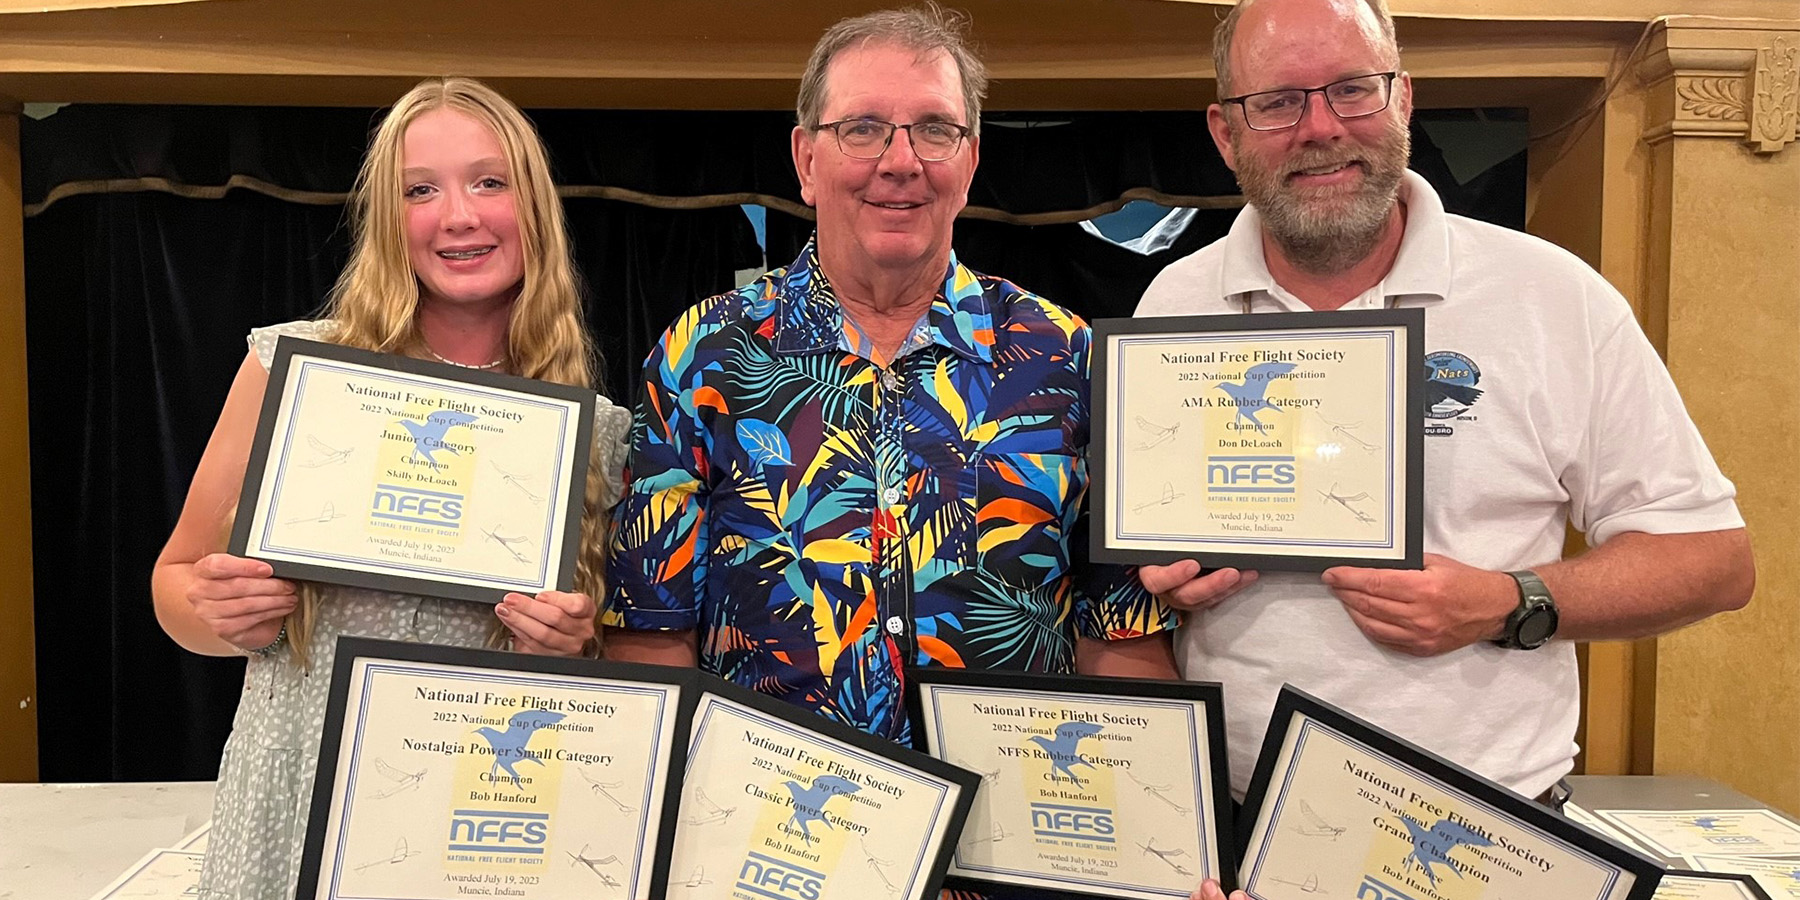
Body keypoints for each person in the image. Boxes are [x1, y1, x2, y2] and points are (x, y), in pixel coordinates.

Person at [1138, 2, 1755, 898]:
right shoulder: (1174, 302)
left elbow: (1714, 561)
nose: (1321, 127)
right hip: (1240, 834)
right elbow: (1145, 555)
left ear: (1403, 98)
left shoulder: (1553, 297)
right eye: (1276, 102)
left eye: (1353, 89)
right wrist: (1167, 580)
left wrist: (1509, 602)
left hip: (1484, 836)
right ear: (1225, 132)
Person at [604, 5, 1178, 743]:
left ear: (970, 163)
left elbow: (1121, 635)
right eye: (863, 128)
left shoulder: (1067, 357)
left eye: (935, 129)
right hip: (776, 805)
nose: (901, 161)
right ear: (806, 161)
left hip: (1010, 804)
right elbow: (651, 633)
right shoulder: (704, 353)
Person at [150, 76, 631, 900]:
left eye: (489, 182)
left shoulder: (595, 434)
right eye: (420, 191)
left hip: (472, 818)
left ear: (535, 207)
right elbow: (174, 583)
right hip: (291, 797)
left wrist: (569, 648)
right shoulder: (290, 370)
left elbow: (602, 694)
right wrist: (217, 613)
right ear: (386, 219)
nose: (458, 216)